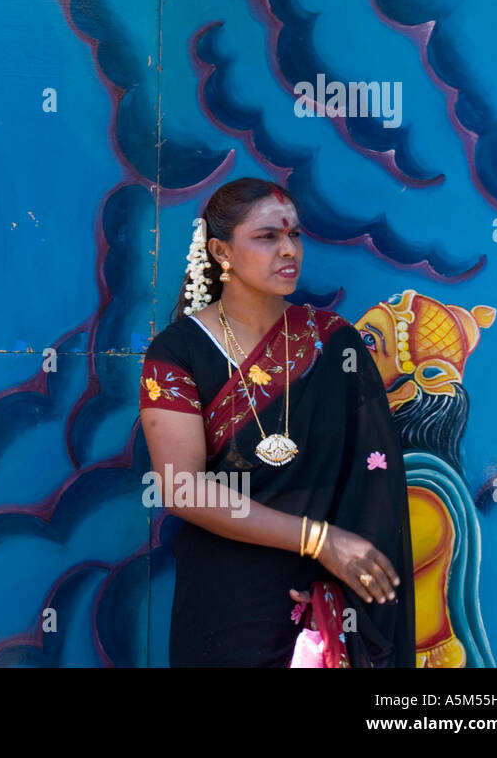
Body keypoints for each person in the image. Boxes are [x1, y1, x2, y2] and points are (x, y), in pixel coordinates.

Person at [139, 178, 414, 667]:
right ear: (221, 251)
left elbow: (376, 482)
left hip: (329, 601)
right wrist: (318, 539)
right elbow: (182, 487)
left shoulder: (335, 345)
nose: (288, 249)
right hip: (226, 607)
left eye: (296, 235)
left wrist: (342, 568)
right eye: (267, 237)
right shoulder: (177, 353)